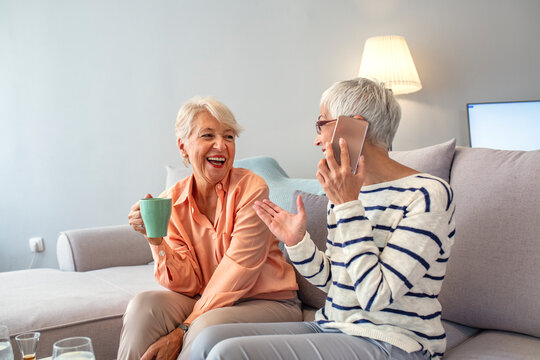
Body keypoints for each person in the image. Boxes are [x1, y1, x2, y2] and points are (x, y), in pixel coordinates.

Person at [189, 78, 456, 360]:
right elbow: (338, 284)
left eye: (321, 125)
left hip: (395, 342)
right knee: (208, 338)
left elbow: (375, 295)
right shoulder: (344, 191)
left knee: (230, 354)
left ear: (353, 127)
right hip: (334, 327)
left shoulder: (426, 195)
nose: (316, 139)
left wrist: (348, 205)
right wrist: (297, 243)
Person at [117, 96, 301, 360]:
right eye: (208, 135)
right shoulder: (172, 199)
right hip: (207, 300)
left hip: (268, 302)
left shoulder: (252, 189)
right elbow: (186, 282)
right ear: (183, 147)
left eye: (229, 137)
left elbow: (238, 270)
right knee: (143, 306)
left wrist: (182, 328)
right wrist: (155, 239)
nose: (221, 145)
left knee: (202, 327)